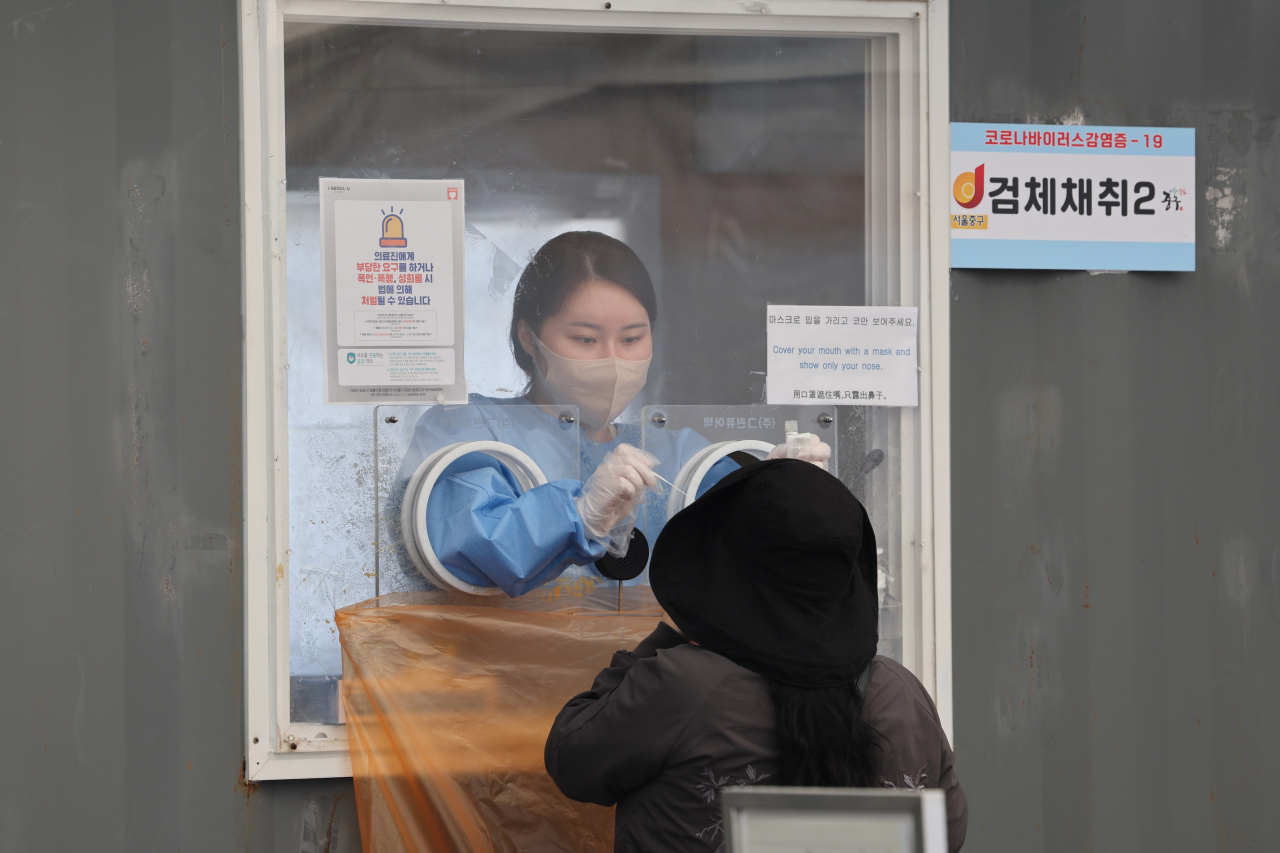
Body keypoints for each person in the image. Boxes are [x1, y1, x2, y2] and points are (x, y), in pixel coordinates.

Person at [544, 458, 967, 853]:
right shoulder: (900, 690)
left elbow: (572, 759)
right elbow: (947, 831)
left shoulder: (683, 684)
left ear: (723, 568)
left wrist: (671, 637)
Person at [395, 231, 830, 596]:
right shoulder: (472, 430)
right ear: (528, 337)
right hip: (510, 687)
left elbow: (747, 555)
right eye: (585, 340)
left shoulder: (676, 453)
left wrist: (779, 492)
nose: (613, 360)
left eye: (631, 339)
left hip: (653, 691)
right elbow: (460, 543)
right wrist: (579, 515)